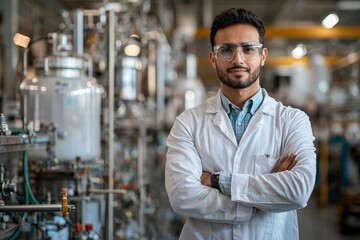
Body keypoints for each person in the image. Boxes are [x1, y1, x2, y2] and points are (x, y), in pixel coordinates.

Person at [164, 7, 317, 240]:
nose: (238, 59)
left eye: (248, 49)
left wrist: (217, 181)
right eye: (226, 50)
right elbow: (182, 196)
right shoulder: (188, 123)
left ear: (263, 56)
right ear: (213, 58)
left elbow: (298, 191)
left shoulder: (292, 121)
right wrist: (255, 205)